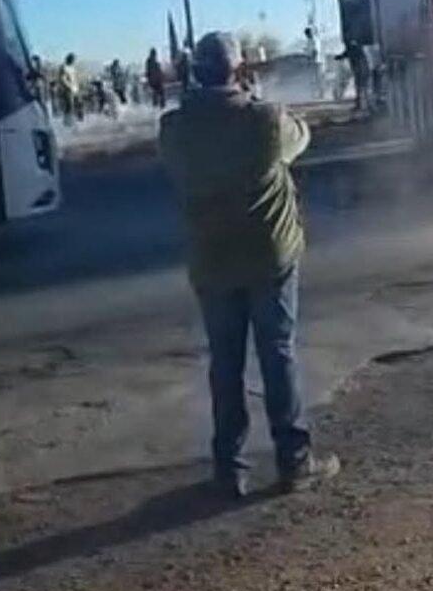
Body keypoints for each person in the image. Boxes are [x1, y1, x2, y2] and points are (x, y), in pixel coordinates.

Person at [158, 31, 339, 499]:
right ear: (241, 71)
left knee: (225, 362)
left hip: (212, 261)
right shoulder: (265, 121)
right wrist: (254, 98)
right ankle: (293, 461)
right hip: (268, 258)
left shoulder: (174, 129)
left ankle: (228, 469)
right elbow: (302, 136)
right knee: (276, 353)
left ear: (194, 74)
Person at [335, 38, 371, 113]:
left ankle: (364, 105)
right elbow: (345, 54)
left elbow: (346, 54)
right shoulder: (354, 48)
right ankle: (363, 105)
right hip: (361, 70)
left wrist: (339, 57)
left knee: (362, 88)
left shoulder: (353, 49)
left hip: (361, 70)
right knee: (362, 88)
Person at [57, 53, 82, 124]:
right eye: (73, 59)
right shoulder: (63, 67)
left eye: (74, 60)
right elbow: (63, 79)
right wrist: (69, 86)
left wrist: (77, 86)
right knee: (69, 105)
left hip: (75, 88)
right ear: (69, 59)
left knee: (79, 103)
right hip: (67, 90)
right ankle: (67, 121)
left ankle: (77, 119)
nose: (74, 61)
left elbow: (75, 77)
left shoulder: (73, 67)